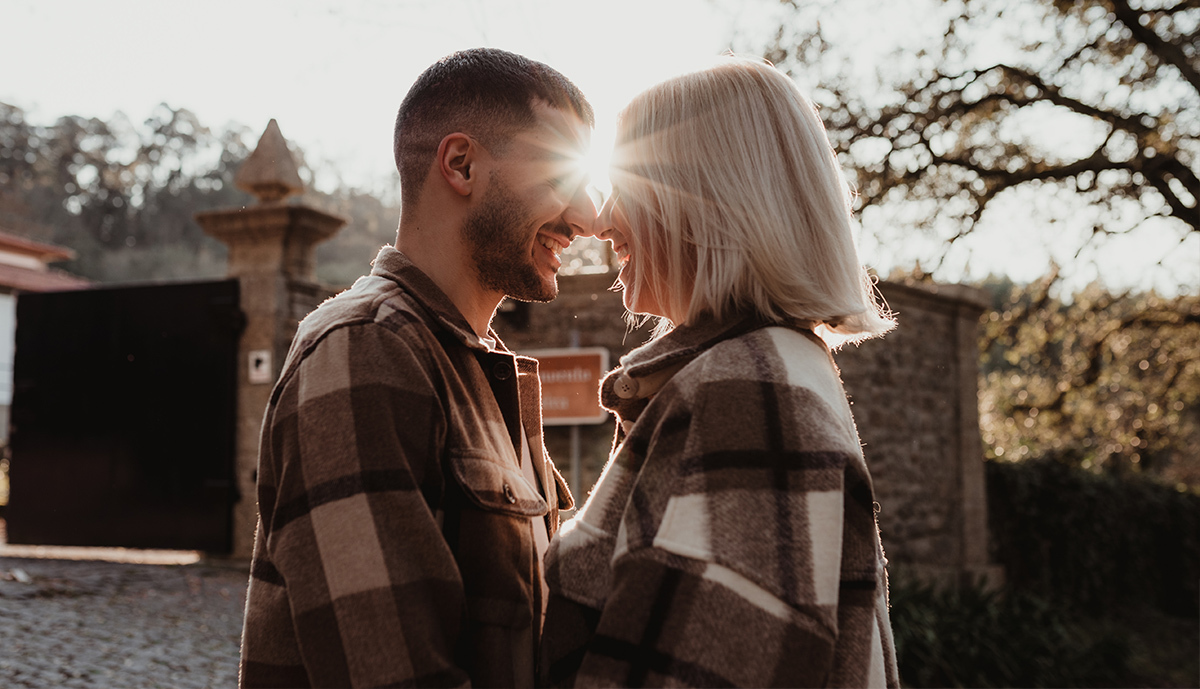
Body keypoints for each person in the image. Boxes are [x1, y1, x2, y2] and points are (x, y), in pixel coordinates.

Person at [239, 48, 598, 688]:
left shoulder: (479, 369)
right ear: (460, 165)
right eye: (559, 175)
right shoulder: (364, 351)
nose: (586, 217)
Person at [540, 56, 901, 688]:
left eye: (627, 179)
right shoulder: (766, 370)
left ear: (707, 200)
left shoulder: (749, 392)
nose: (600, 220)